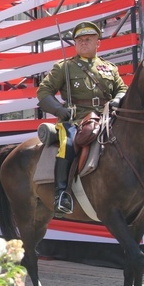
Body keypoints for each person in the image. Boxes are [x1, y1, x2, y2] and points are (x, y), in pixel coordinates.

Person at [37, 21, 128, 217]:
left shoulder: (109, 68)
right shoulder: (65, 67)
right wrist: (59, 110)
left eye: (88, 39)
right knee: (68, 143)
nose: (83, 43)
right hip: (76, 119)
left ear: (98, 43)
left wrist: (118, 99)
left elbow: (122, 89)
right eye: (79, 40)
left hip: (106, 118)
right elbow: (43, 92)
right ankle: (62, 194)